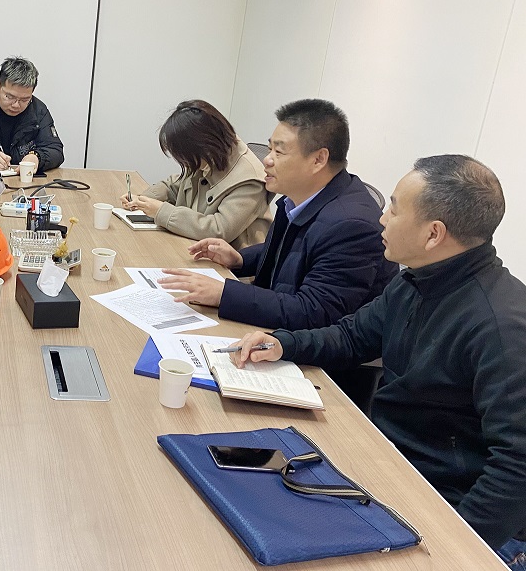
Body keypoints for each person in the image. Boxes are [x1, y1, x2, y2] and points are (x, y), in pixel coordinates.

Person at [230, 155, 526, 565]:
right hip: (388, 467)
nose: (382, 219)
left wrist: (452, 550)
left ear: (434, 234)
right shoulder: (417, 280)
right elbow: (353, 336)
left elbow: (516, 466)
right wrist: (284, 344)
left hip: (449, 509)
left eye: (395, 209)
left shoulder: (500, 326)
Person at [159, 98, 397, 330]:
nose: (267, 160)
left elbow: (313, 312)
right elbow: (294, 250)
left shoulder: (350, 225)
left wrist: (224, 294)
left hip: (314, 349)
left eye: (279, 152)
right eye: (269, 148)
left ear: (318, 159)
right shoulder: (298, 198)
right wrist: (240, 260)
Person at [118, 99, 271, 249]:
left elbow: (219, 230)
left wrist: (161, 211)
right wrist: (142, 200)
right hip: (193, 245)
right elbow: (175, 185)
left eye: (183, 156)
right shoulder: (211, 155)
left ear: (203, 145)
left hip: (231, 261)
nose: (183, 162)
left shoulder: (249, 179)